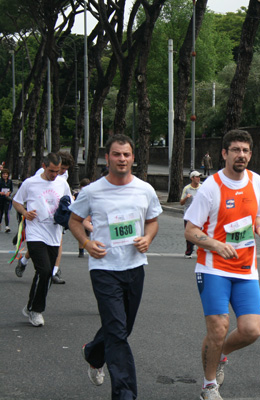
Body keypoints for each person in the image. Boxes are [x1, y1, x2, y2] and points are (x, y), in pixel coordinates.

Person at [68, 134, 162, 398]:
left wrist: (148, 237)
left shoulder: (145, 190)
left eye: (127, 154)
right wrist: (86, 244)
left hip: (134, 268)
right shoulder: (92, 191)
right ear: (107, 157)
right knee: (118, 333)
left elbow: (153, 221)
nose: (122, 159)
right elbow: (74, 220)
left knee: (123, 328)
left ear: (133, 158)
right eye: (117, 154)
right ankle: (125, 394)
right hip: (104, 268)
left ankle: (93, 352)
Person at [184, 130, 260, 400]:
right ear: (224, 154)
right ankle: (209, 384)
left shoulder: (256, 181)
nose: (241, 155)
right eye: (235, 150)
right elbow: (190, 230)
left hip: (246, 268)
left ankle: (221, 354)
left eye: (245, 150)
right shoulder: (211, 187)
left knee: (251, 330)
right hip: (213, 269)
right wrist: (215, 244)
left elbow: (257, 217)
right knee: (219, 327)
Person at [12, 153, 72, 327]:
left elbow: (70, 202)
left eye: (58, 171)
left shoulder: (62, 182)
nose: (55, 175)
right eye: (52, 171)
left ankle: (31, 306)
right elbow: (16, 201)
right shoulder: (30, 183)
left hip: (54, 233)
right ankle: (36, 311)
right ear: (44, 166)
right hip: (35, 233)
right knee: (44, 270)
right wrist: (24, 212)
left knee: (47, 274)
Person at [180, 170, 202, 258]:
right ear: (192, 178)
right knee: (189, 234)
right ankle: (188, 252)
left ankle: (200, 252)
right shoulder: (187, 188)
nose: (198, 178)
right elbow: (181, 202)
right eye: (197, 177)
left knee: (200, 234)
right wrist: (186, 197)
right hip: (188, 215)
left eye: (199, 177)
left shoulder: (202, 187)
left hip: (199, 214)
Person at [0, 168, 13, 232]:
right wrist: (0, 192)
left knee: (6, 211)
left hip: (7, 198)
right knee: (1, 212)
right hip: (1, 198)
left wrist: (9, 192)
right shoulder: (0, 181)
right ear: (1, 175)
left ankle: (7, 226)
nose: (5, 175)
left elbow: (11, 189)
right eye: (4, 174)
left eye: (6, 174)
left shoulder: (10, 182)